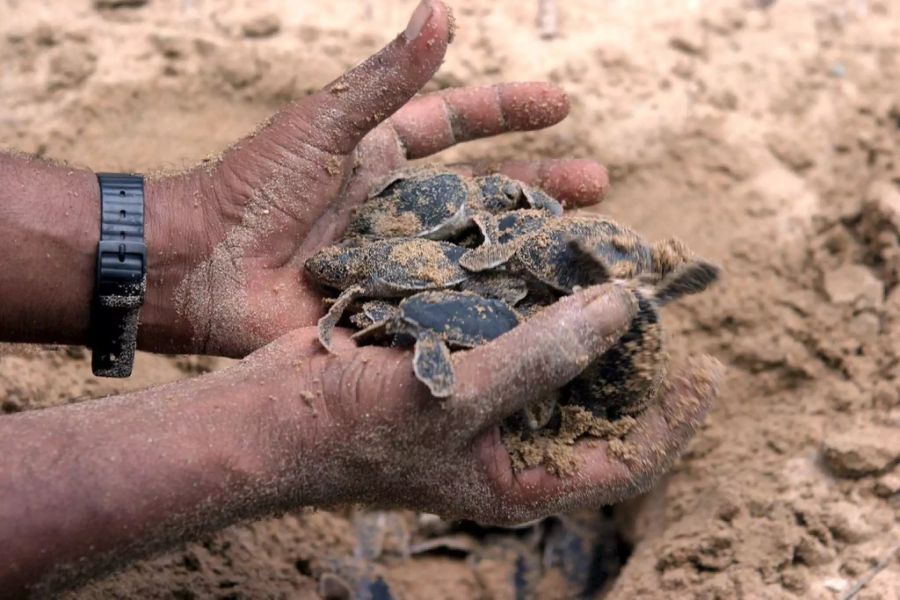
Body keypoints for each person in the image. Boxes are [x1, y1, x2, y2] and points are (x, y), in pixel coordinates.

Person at [0, 1, 719, 596]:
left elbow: (475, 258)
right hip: (426, 278)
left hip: (450, 260)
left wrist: (179, 239)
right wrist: (291, 428)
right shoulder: (385, 292)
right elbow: (431, 280)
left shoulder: (470, 248)